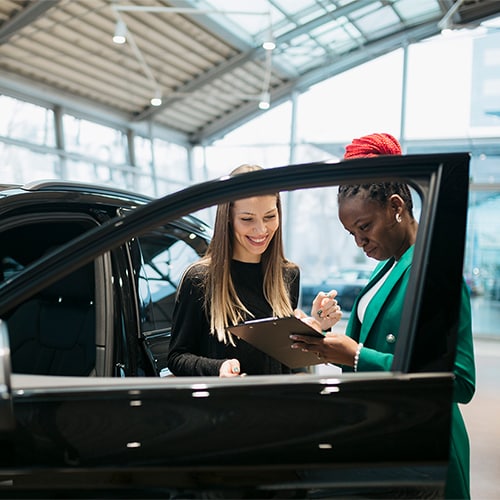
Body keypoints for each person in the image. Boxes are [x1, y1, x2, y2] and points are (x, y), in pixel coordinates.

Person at [291, 133, 476, 499]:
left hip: (425, 445)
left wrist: (356, 356)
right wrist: (326, 334)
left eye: (364, 227)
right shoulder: (389, 265)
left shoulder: (434, 269)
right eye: (350, 233)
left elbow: (460, 381)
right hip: (390, 438)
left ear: (396, 206)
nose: (359, 242)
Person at [167, 164, 341, 378]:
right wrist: (218, 368)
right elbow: (177, 358)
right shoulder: (200, 279)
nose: (261, 230)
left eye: (269, 217)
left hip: (276, 404)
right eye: (247, 219)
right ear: (228, 217)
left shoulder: (288, 275)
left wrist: (317, 328)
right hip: (224, 407)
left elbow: (286, 360)